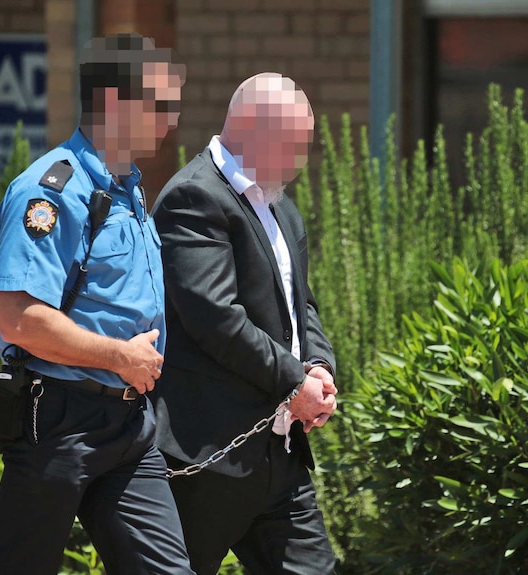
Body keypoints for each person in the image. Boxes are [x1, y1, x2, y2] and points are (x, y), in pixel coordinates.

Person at [0, 34, 193, 575]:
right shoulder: (51, 191)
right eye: (161, 105)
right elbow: (19, 319)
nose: (171, 120)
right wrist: (119, 357)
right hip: (57, 420)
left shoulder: (128, 190)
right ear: (118, 105)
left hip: (128, 422)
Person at [151, 72, 339, 574]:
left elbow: (303, 307)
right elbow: (216, 318)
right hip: (208, 456)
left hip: (279, 453)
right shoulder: (193, 198)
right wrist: (293, 378)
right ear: (252, 128)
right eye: (294, 144)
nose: (301, 160)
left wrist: (318, 365)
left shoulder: (281, 208)